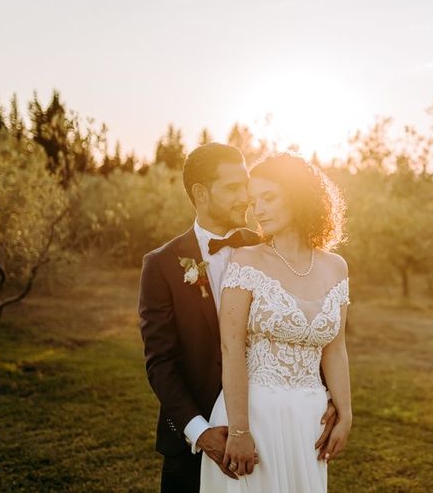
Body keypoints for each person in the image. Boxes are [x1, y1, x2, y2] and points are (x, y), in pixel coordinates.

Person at [137, 144, 341, 492]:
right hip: (196, 437)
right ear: (201, 193)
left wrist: (326, 395)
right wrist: (201, 432)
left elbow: (303, 318)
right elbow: (161, 363)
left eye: (246, 186)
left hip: (273, 427)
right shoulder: (161, 265)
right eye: (233, 189)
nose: (246, 199)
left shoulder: (271, 246)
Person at [200, 152, 353, 492]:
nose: (259, 210)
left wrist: (345, 413)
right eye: (254, 201)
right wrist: (239, 430)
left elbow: (336, 348)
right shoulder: (247, 261)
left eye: (269, 198)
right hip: (255, 415)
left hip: (309, 421)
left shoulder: (336, 267)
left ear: (299, 197)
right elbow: (232, 348)